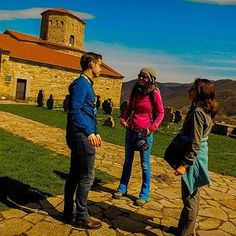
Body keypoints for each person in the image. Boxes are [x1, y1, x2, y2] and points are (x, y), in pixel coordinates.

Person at [169, 78, 219, 236]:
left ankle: (186, 233)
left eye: (192, 88)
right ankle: (183, 229)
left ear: (200, 92)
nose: (189, 90)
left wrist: (185, 164)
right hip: (199, 156)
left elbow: (195, 143)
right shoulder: (205, 109)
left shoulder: (198, 112)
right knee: (193, 195)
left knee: (190, 197)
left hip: (193, 159)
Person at [62, 52, 103, 229]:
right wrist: (89, 132)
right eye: (100, 64)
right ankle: (81, 216)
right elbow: (75, 111)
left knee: (75, 174)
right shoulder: (80, 84)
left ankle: (67, 213)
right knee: (87, 175)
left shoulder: (87, 84)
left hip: (83, 133)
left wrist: (96, 131)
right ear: (91, 64)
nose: (101, 68)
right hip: (80, 134)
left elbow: (89, 112)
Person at [114, 67, 164, 206]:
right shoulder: (136, 91)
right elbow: (130, 108)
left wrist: (151, 129)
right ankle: (122, 187)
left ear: (151, 79)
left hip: (145, 134)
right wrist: (123, 118)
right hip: (131, 131)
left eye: (144, 77)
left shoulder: (154, 93)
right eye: (140, 76)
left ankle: (144, 193)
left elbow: (161, 113)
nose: (141, 79)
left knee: (145, 165)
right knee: (127, 162)